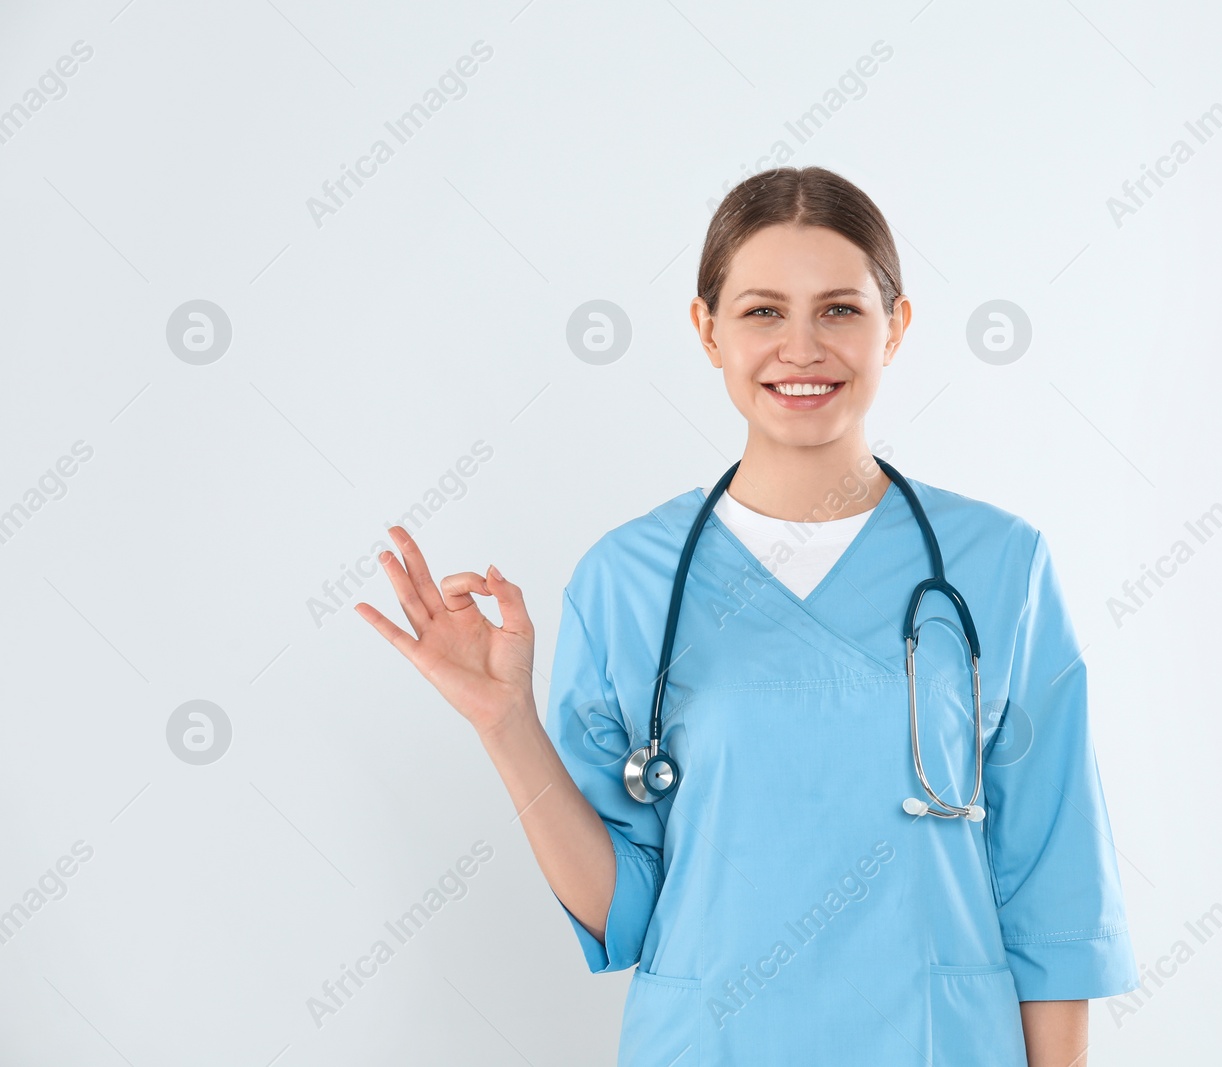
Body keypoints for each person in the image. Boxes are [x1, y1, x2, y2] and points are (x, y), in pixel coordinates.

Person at [357, 165, 1138, 1065]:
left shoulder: (1000, 566)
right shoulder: (626, 580)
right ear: (708, 330)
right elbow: (626, 911)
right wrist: (505, 725)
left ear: (898, 326)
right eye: (763, 311)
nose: (801, 348)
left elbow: (1052, 891)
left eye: (840, 309)